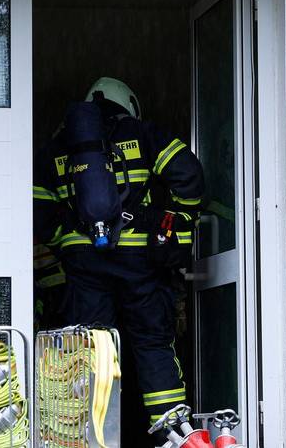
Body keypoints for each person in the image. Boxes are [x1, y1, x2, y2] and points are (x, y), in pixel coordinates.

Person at [33, 76, 205, 439]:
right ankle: (172, 434)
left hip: (84, 264)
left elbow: (38, 208)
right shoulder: (142, 133)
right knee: (152, 342)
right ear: (128, 102)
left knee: (91, 348)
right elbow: (188, 173)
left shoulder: (57, 146)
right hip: (139, 262)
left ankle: (90, 435)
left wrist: (67, 237)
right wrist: (178, 218)